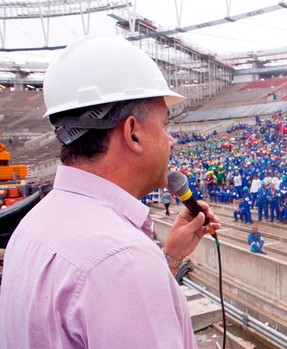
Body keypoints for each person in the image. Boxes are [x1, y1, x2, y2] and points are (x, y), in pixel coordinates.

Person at [0, 36, 222, 348]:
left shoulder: (30, 227)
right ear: (133, 132)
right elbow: (114, 278)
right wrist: (141, 266)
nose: (171, 141)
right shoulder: (123, 261)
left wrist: (169, 258)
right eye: (163, 125)